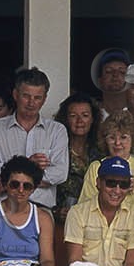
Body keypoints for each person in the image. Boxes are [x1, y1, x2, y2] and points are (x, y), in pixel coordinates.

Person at [0, 66, 69, 209]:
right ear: (15, 95)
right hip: (2, 207)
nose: (31, 103)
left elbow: (60, 174)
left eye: (37, 98)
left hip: (40, 209)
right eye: (26, 96)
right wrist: (28, 165)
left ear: (44, 99)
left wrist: (8, 182)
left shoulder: (56, 130)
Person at [65, 155, 134, 266]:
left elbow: (132, 263)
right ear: (98, 183)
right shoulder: (77, 213)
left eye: (123, 185)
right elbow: (75, 261)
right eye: (111, 183)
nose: (117, 190)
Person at [80, 110, 134, 213]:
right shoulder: (95, 167)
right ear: (105, 140)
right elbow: (84, 206)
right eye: (112, 138)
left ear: (133, 140)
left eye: (123, 137)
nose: (117, 143)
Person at [54, 93, 101, 231]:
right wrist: (56, 211)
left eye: (85, 115)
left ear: (93, 119)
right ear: (66, 119)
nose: (79, 121)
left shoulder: (100, 151)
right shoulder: (56, 150)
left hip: (92, 223)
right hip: (60, 223)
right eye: (73, 116)